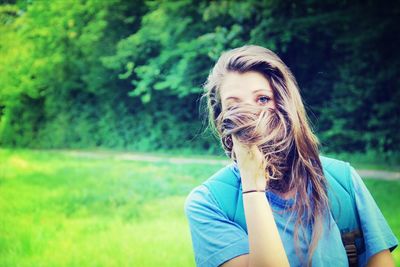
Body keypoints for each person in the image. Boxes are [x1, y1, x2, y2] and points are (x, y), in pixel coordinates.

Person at [183, 45, 398, 267]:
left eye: (263, 99)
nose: (252, 115)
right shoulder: (209, 203)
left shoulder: (342, 180)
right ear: (221, 118)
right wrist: (253, 188)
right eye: (234, 105)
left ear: (286, 103)